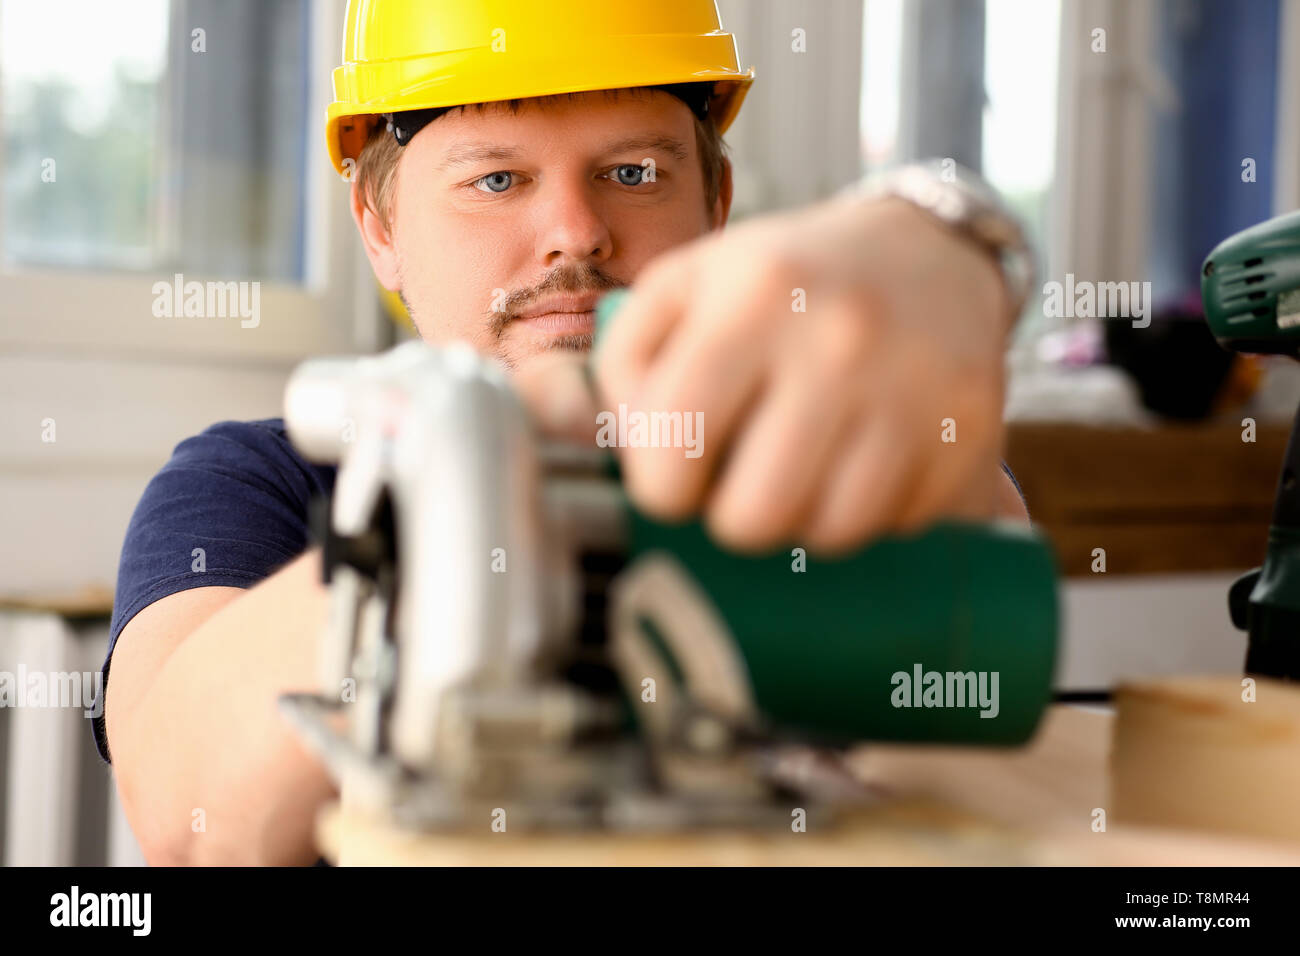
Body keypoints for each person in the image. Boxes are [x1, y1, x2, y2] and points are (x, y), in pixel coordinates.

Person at [97, 0, 1032, 865]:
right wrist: (441, 528)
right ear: (379, 225)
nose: (577, 234)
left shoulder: (802, 458)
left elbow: (988, 658)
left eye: (634, 173)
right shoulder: (257, 482)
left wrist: (948, 249)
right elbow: (184, 810)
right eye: (496, 178)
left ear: (715, 205)